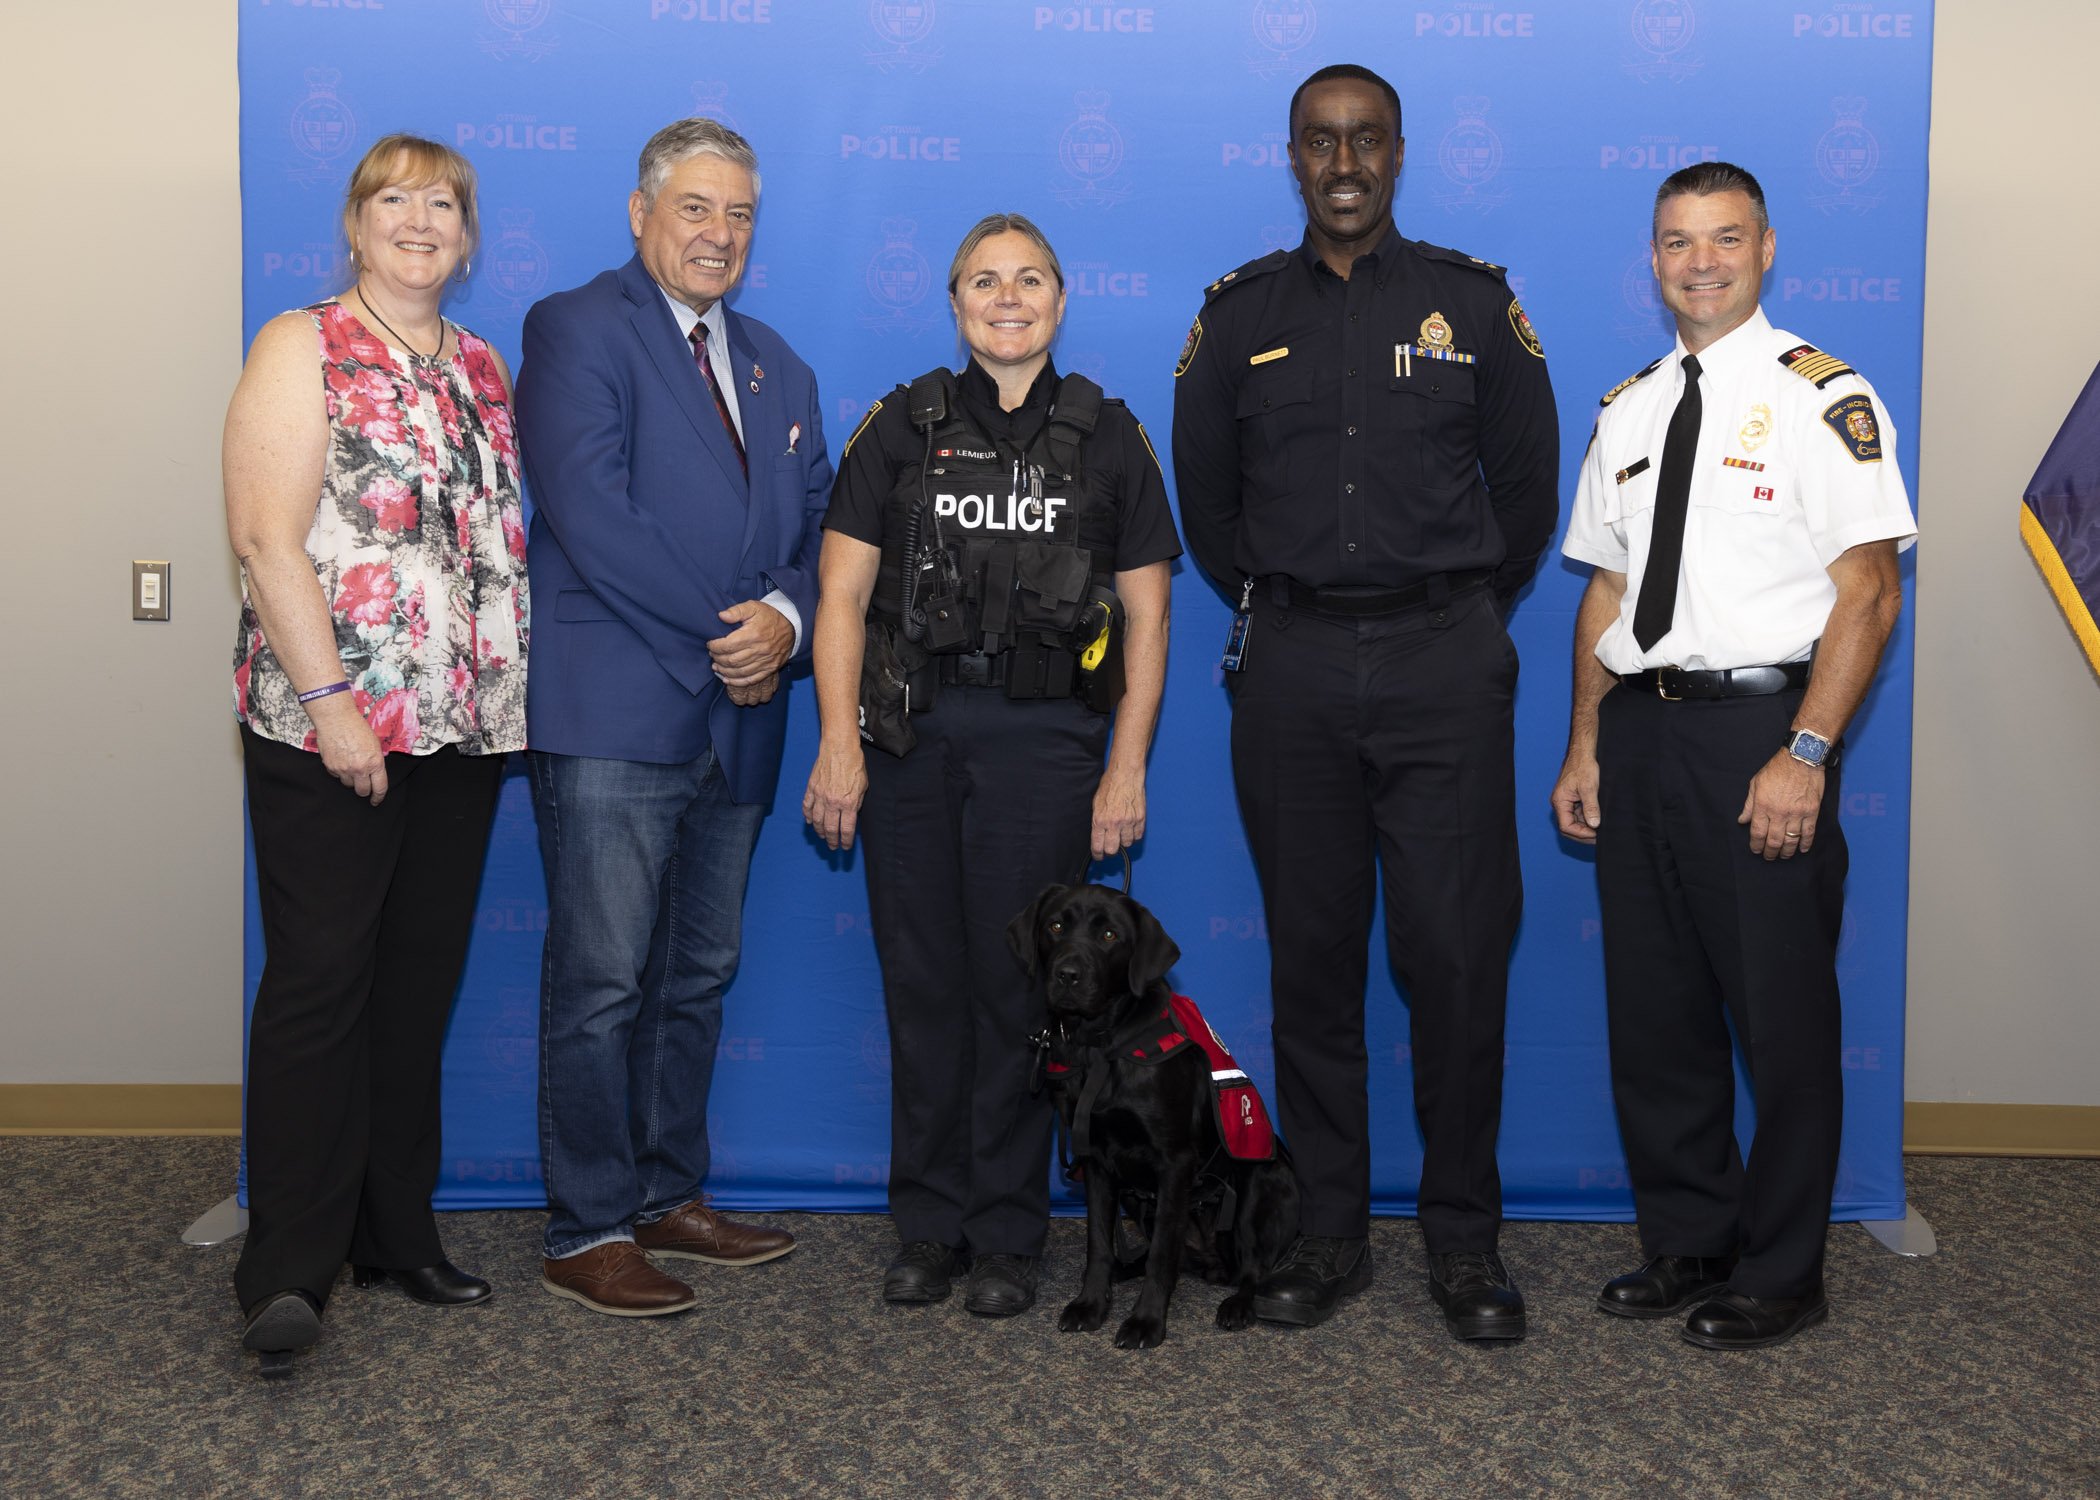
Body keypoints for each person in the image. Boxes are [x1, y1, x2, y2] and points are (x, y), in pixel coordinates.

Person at [1171, 64, 1557, 1341]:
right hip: (1289, 665)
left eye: (1368, 140)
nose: (1345, 162)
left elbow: (1526, 501)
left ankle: (1464, 1244)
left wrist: (1438, 617)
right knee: (1315, 965)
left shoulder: (1473, 305)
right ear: (1291, 155)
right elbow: (1212, 517)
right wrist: (1309, 607)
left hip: (1444, 662)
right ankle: (1328, 1234)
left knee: (1453, 965)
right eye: (1321, 141)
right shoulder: (1235, 317)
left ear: (1401, 152)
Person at [1552, 162, 1915, 1350]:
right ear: (1651, 259)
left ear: (1766, 249)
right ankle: (1690, 1237)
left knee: (1782, 1014)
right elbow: (1607, 588)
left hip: (1761, 732)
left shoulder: (1824, 395)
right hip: (1645, 728)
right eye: (1675, 241)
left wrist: (1806, 749)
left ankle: (1782, 1267)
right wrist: (1587, 742)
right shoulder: (1631, 406)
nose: (1699, 261)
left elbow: (1870, 588)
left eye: (1723, 239)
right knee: (1655, 1013)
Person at [803, 213, 1179, 1317]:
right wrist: (837, 743)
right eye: (982, 281)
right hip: (912, 744)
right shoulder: (901, 426)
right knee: (923, 986)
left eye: (1028, 281)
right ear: (955, 303)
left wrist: (1127, 766)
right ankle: (929, 1225)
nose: (1006, 299)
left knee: (1025, 993)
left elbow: (1150, 620)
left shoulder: (1110, 435)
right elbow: (838, 597)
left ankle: (1011, 1233)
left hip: (1048, 747)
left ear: (1061, 302)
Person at [223, 133, 527, 1374]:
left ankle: (395, 1234)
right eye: (393, 199)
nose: (419, 220)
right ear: (353, 227)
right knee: (318, 988)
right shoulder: (301, 346)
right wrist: (332, 697)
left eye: (442, 203)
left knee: (414, 990)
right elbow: (262, 535)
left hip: (460, 729)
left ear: (466, 234)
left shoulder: (482, 363)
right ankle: (285, 1269)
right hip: (331, 726)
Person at [518, 118, 826, 1317]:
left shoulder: (779, 367)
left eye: (740, 212)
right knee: (600, 981)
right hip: (617, 709)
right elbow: (593, 516)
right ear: (642, 212)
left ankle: (665, 1195)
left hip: (743, 719)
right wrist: (727, 638)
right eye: (696, 207)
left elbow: (814, 527)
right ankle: (586, 1224)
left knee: (696, 973)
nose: (720, 233)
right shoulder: (577, 327)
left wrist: (787, 627)